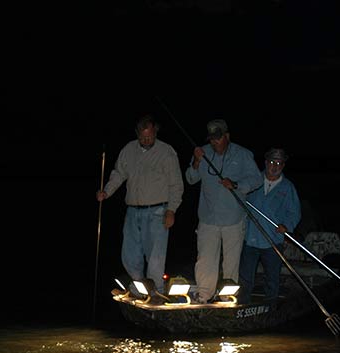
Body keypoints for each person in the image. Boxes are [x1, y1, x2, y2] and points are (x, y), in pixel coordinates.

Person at [96, 114, 184, 302]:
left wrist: (172, 210)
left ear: (155, 132)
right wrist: (107, 192)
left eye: (150, 136)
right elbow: (119, 173)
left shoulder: (166, 152)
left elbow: (176, 184)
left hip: (158, 210)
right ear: (137, 133)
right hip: (133, 209)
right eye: (143, 137)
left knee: (155, 254)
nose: (146, 140)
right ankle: (138, 287)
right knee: (129, 252)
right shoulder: (128, 150)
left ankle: (156, 292)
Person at [185, 119, 263, 303]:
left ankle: (227, 296)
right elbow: (190, 178)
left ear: (227, 136)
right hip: (207, 217)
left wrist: (236, 185)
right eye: (212, 138)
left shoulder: (243, 154)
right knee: (205, 259)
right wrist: (196, 161)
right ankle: (203, 295)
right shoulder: (202, 153)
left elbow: (257, 180)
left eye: (218, 138)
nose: (215, 142)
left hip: (233, 218)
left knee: (231, 261)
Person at [238, 148, 301, 304]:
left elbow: (294, 213)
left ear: (283, 166)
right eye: (272, 162)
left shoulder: (288, 187)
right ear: (266, 163)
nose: (275, 166)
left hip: (273, 240)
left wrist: (286, 225)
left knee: (272, 278)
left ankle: (270, 308)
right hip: (250, 239)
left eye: (279, 163)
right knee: (245, 278)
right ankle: (242, 306)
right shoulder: (253, 181)